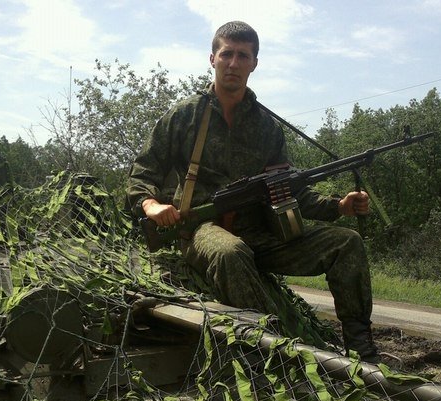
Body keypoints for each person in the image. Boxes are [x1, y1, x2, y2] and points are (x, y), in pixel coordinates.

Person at [126, 21, 380, 363]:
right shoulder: (185, 116)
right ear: (212, 59)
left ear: (254, 63)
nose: (233, 63)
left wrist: (340, 206)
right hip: (202, 230)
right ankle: (269, 354)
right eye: (227, 54)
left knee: (346, 243)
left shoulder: (266, 127)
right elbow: (143, 170)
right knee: (232, 253)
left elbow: (289, 191)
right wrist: (151, 205)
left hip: (261, 232)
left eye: (242, 55)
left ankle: (361, 348)